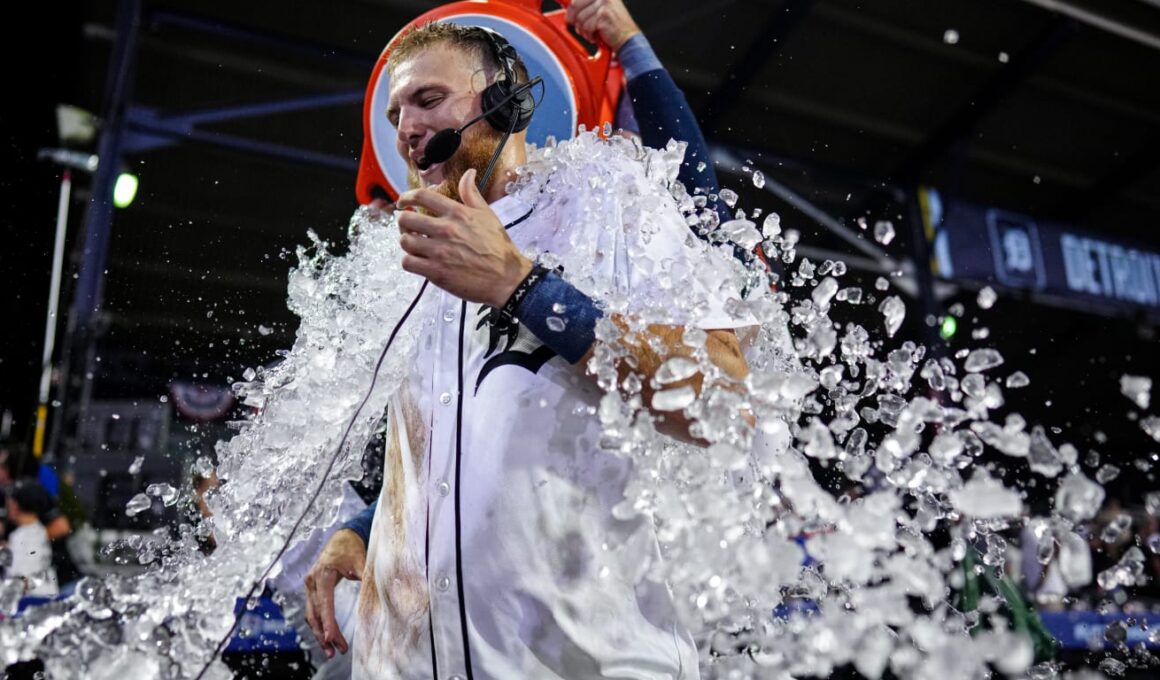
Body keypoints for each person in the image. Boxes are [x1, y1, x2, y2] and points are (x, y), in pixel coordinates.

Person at [298, 0, 768, 672]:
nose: (406, 130)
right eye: (396, 113)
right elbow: (443, 440)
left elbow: (724, 399)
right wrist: (363, 527)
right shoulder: (402, 267)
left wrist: (521, 285)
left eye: (429, 100)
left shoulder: (607, 204)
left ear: (508, 102)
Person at [2, 480, 59, 598]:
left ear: (15, 505)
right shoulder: (39, 530)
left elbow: (21, 580)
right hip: (47, 596)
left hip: (30, 602)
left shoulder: (22, 536)